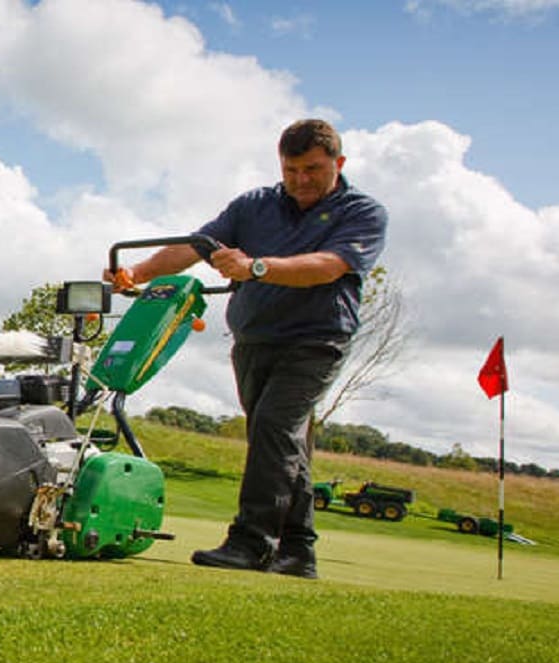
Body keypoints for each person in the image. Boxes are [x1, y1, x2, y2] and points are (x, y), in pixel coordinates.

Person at [107, 118, 388, 579]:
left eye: (313, 170)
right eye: (291, 169)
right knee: (277, 441)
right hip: (255, 339)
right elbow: (193, 247)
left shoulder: (363, 212)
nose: (301, 180)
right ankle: (298, 552)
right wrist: (137, 273)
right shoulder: (255, 205)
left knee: (276, 429)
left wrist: (254, 266)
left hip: (316, 339)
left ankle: (251, 542)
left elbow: (327, 266)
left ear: (338, 163)